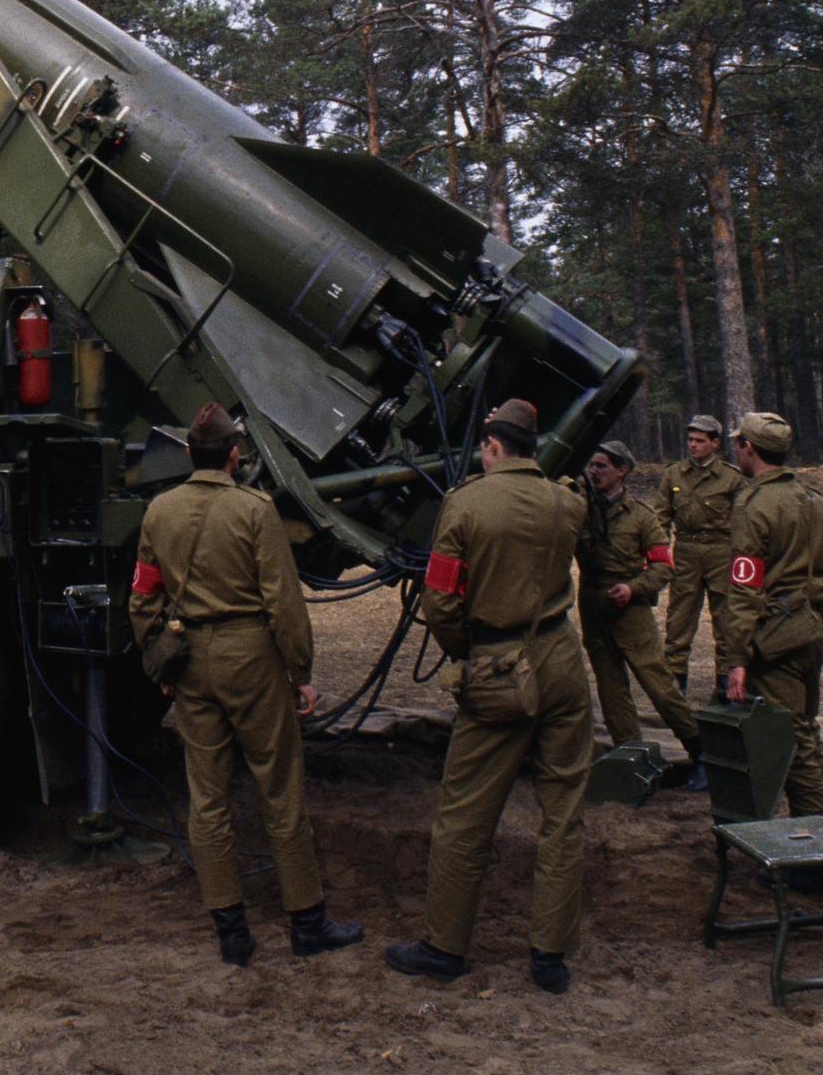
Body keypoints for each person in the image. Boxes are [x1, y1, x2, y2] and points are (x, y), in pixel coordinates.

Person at [128, 402, 362, 966]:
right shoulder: (255, 511)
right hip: (252, 659)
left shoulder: (159, 512)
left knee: (206, 798)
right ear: (235, 456)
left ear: (189, 453)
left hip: (192, 662)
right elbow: (283, 602)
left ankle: (231, 933)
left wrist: (162, 663)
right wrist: (300, 672)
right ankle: (307, 923)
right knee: (279, 790)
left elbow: (143, 596)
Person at [386, 399, 592, 994]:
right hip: (561, 660)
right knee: (563, 812)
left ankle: (444, 946)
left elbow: (441, 602)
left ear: (493, 446)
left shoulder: (466, 505)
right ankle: (550, 956)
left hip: (500, 668)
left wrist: (465, 655)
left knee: (466, 815)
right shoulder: (566, 503)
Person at [716, 412, 823, 825]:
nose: (736, 450)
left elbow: (744, 589)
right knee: (807, 731)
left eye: (738, 444)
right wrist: (821, 629)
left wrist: (736, 659)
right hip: (810, 631)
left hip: (775, 641)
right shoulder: (816, 502)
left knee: (790, 743)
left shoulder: (753, 507)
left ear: (749, 450)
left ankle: (820, 856)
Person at [575, 441, 705, 783]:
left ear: (623, 471)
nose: (595, 471)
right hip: (593, 605)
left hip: (631, 612)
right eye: (593, 465)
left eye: (603, 466)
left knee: (659, 685)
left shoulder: (642, 517)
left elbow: (663, 567)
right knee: (611, 688)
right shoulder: (580, 509)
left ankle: (701, 755)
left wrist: (633, 588)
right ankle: (628, 757)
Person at [657, 414, 748, 700]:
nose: (693, 446)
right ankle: (675, 680)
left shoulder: (731, 478)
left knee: (726, 620)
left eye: (699, 441)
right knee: (679, 620)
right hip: (686, 552)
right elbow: (661, 517)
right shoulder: (674, 474)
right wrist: (660, 554)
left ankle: (724, 685)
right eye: (690, 440)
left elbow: (745, 521)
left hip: (721, 553)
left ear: (715, 443)